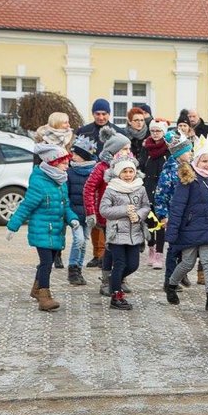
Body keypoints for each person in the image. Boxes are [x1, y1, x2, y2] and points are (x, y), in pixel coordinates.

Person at [5, 143, 78, 312]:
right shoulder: (39, 182)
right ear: (52, 162)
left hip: (56, 230)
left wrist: (72, 219)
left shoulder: (61, 181)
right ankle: (44, 297)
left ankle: (36, 289)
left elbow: (65, 205)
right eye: (63, 163)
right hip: (42, 230)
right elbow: (26, 206)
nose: (67, 166)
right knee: (46, 263)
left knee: (49, 261)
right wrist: (12, 226)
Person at [166, 136, 208, 312]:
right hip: (190, 229)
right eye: (204, 161)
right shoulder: (188, 180)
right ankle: (171, 284)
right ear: (197, 160)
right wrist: (172, 232)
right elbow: (177, 207)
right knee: (187, 263)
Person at [99, 155, 149, 310]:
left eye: (130, 171)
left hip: (135, 234)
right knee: (119, 264)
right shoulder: (111, 189)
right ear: (118, 173)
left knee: (133, 265)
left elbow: (146, 206)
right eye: (125, 172)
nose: (128, 175)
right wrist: (124, 210)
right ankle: (116, 296)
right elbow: (104, 210)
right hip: (117, 234)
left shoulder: (140, 188)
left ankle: (114, 279)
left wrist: (139, 215)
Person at [83, 127, 132, 287]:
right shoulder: (102, 167)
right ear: (115, 150)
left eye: (129, 149)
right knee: (111, 250)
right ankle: (106, 280)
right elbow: (89, 188)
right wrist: (91, 213)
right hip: (108, 216)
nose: (128, 152)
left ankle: (120, 278)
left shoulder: (129, 166)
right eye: (124, 149)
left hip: (125, 214)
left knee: (124, 248)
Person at [155, 130, 194, 304]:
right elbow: (161, 195)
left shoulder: (191, 168)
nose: (191, 154)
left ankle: (181, 273)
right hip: (173, 216)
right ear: (179, 154)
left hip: (188, 216)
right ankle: (168, 279)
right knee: (173, 249)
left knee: (188, 246)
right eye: (188, 151)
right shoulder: (169, 171)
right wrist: (163, 216)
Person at [33, 111, 75, 269]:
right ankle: (54, 255)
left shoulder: (70, 139)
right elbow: (37, 164)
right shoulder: (42, 141)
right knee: (52, 219)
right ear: (57, 123)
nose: (68, 125)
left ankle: (58, 250)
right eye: (65, 122)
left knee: (63, 216)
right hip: (48, 182)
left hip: (66, 180)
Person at [66, 134, 98, 286]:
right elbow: (66, 194)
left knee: (85, 241)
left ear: (84, 157)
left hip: (89, 214)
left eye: (76, 154)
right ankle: (72, 269)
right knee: (78, 239)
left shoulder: (93, 172)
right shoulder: (70, 172)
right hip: (74, 213)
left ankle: (79, 269)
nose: (73, 156)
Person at [139, 120, 169, 269]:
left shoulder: (167, 148)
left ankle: (159, 254)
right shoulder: (146, 147)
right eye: (153, 131)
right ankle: (151, 248)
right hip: (148, 186)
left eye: (158, 131)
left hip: (162, 188)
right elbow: (141, 165)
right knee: (150, 221)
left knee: (160, 222)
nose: (156, 134)